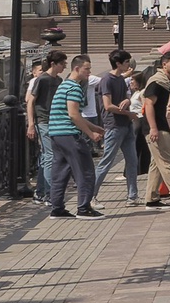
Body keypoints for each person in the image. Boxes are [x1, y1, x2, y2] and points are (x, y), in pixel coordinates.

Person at [46, 54, 104, 219]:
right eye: (87, 69)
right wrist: (91, 133)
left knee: (60, 171)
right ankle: (84, 208)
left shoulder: (63, 85)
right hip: (69, 134)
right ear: (77, 68)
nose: (89, 72)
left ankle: (57, 208)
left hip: (56, 133)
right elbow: (73, 115)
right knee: (85, 170)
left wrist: (94, 126)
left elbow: (71, 113)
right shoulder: (74, 88)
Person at [95, 49, 140, 205]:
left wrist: (127, 102)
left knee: (132, 160)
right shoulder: (107, 80)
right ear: (118, 63)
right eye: (126, 62)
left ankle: (132, 195)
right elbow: (108, 106)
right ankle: (90, 195)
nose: (129, 65)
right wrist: (129, 114)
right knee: (107, 161)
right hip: (114, 125)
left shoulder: (120, 79)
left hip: (125, 124)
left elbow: (125, 97)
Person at [142, 52, 170, 207]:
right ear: (164, 64)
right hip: (157, 128)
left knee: (156, 164)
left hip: (167, 126)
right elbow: (148, 104)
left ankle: (151, 198)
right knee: (167, 162)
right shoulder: (157, 82)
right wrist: (153, 128)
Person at [26, 52, 65, 208]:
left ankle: (40, 191)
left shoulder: (59, 80)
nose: (64, 66)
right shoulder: (42, 79)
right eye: (62, 63)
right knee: (50, 156)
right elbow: (30, 101)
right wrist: (31, 123)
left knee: (46, 156)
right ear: (53, 64)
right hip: (43, 121)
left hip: (55, 120)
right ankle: (50, 193)